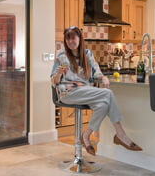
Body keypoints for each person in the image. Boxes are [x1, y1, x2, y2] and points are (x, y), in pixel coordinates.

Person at [51, 26, 142, 155]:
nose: (71, 41)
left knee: (103, 105)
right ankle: (121, 134)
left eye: (73, 38)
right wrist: (58, 74)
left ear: (80, 39)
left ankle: (86, 136)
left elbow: (97, 73)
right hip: (67, 92)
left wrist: (103, 77)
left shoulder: (87, 55)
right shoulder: (62, 56)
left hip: (85, 90)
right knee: (108, 93)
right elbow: (54, 81)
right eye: (68, 39)